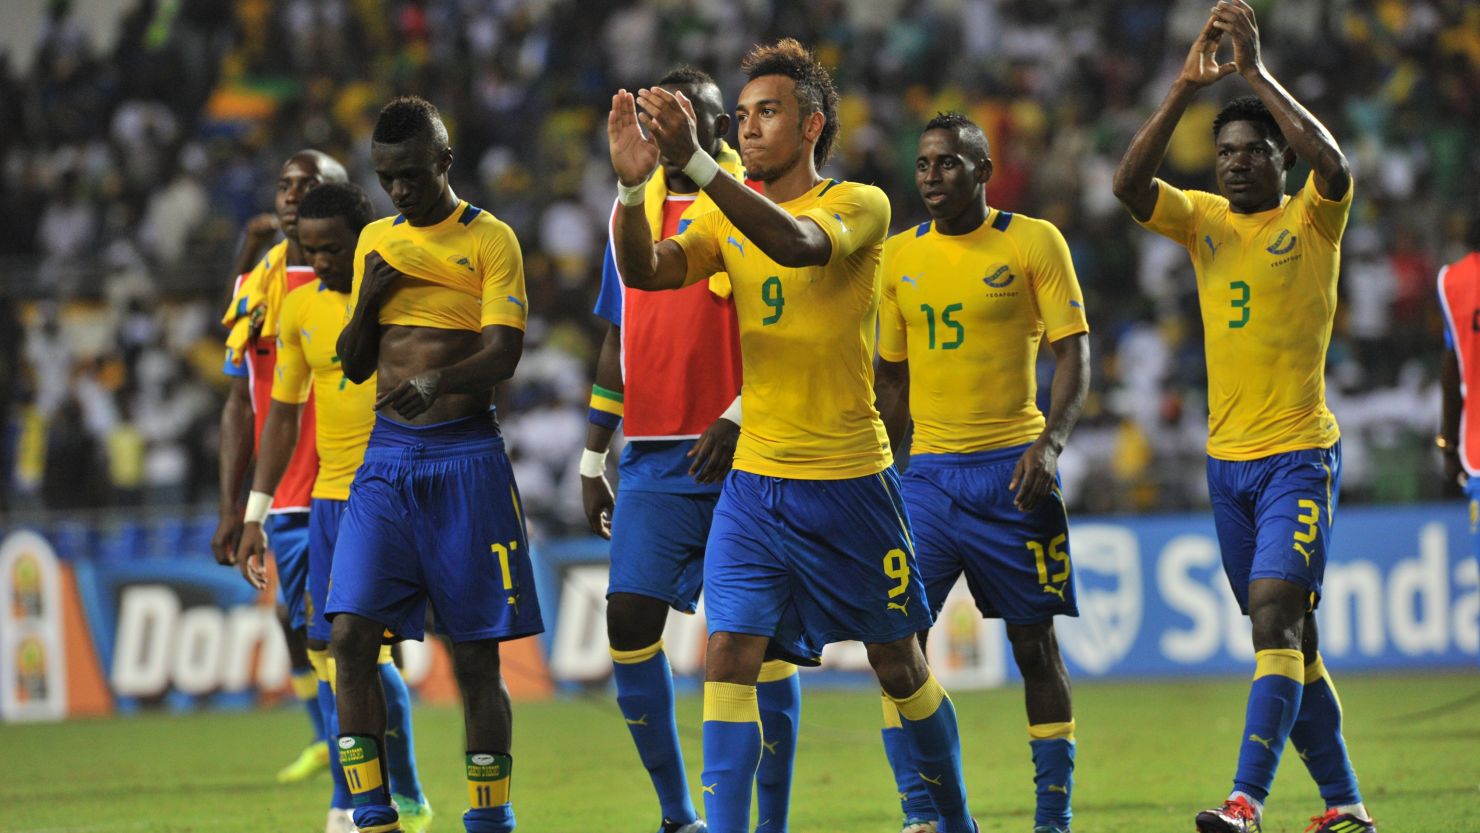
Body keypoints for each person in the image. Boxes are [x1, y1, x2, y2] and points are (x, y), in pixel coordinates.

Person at [607, 39, 978, 833]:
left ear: (811, 125)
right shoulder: (715, 206)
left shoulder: (860, 204)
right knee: (728, 657)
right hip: (755, 483)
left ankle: (956, 820)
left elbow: (797, 247)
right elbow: (645, 272)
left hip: (851, 481)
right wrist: (634, 186)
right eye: (738, 117)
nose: (745, 129)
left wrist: (701, 169)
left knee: (899, 665)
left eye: (764, 113)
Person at [1112, 3, 1372, 832]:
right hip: (1228, 467)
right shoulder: (1204, 224)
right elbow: (1127, 186)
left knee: (1273, 616)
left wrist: (1255, 73)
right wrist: (1186, 89)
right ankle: (1347, 807)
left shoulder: (1312, 219)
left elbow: (1331, 160)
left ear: (1277, 162)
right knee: (1295, 645)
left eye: (1248, 153)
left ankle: (1245, 802)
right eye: (1222, 154)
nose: (1230, 167)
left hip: (1298, 453)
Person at [585, 65, 802, 833]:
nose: (670, 134)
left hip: (753, 451)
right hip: (652, 457)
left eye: (688, 118)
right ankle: (680, 816)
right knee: (628, 623)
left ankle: (763, 825)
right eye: (657, 121)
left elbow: (793, 327)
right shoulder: (633, 209)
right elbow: (618, 335)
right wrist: (592, 454)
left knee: (757, 643)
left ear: (719, 125)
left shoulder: (754, 202)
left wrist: (740, 412)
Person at [330, 96, 541, 833]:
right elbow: (354, 365)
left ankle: (490, 822)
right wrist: (370, 300)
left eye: (413, 174)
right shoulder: (374, 243)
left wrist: (438, 382)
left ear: (444, 163)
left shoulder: (491, 240)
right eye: (388, 177)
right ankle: (372, 814)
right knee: (350, 637)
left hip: (465, 457)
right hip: (386, 461)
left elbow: (503, 353)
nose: (400, 190)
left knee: (475, 659)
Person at [874, 112, 1089, 833]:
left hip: (1014, 473)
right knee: (895, 640)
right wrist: (882, 472)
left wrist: (1052, 444)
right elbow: (891, 383)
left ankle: (1051, 819)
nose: (933, 176)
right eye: (925, 165)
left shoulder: (1033, 241)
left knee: (1035, 646)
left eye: (949, 164)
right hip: (928, 479)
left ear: (984, 170)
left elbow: (1074, 355)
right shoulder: (897, 258)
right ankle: (922, 815)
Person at [234, 182, 433, 833]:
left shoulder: (405, 293)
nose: (319, 260)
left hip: (390, 493)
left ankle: (392, 795)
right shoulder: (296, 309)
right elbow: (283, 420)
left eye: (333, 248)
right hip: (325, 502)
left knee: (362, 651)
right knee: (332, 655)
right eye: (309, 249)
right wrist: (254, 512)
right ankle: (367, 798)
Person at [213, 150, 345, 786]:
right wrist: (234, 510)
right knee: (311, 632)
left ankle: (378, 792)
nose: (292, 196)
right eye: (284, 184)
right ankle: (344, 761)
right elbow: (240, 401)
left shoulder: (364, 277)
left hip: (356, 487)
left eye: (309, 186)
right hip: (286, 498)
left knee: (353, 643)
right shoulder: (256, 286)